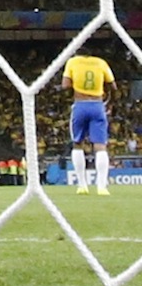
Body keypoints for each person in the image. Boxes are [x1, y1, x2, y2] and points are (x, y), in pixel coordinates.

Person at [62, 46, 117, 196]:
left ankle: (82, 185)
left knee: (77, 144)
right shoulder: (100, 62)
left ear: (77, 53)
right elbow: (113, 85)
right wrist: (109, 102)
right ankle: (102, 187)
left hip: (80, 105)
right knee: (100, 146)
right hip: (98, 105)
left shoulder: (72, 62)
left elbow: (65, 85)